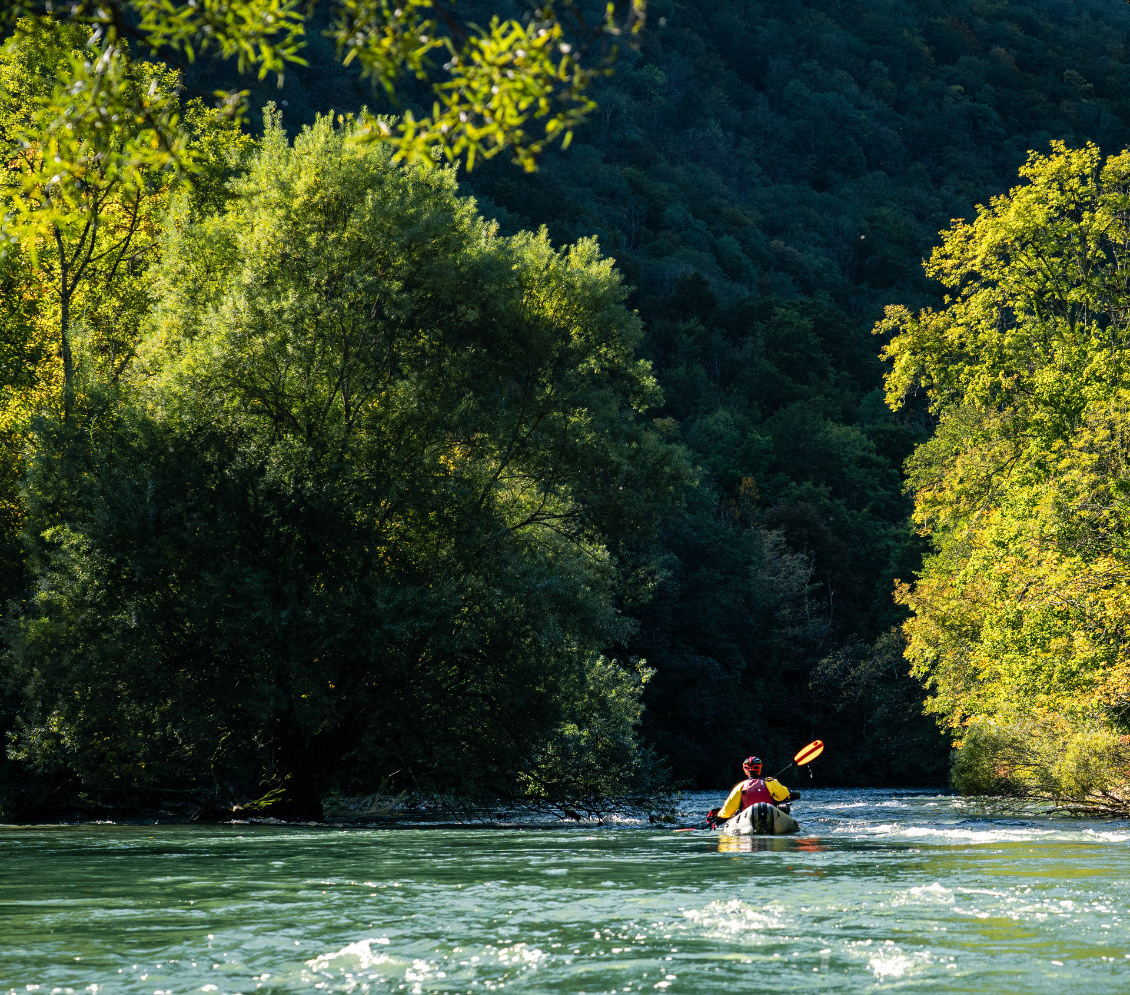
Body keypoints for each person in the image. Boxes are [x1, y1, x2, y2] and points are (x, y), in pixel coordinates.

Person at [706, 756, 795, 827]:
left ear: (745, 770)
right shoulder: (770, 782)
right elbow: (783, 796)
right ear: (760, 768)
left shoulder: (740, 786)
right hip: (771, 818)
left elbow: (728, 810)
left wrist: (719, 816)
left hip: (747, 821)